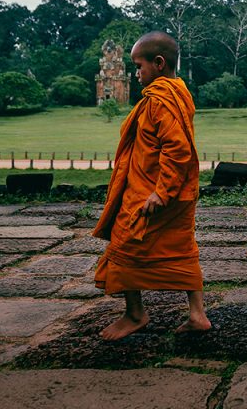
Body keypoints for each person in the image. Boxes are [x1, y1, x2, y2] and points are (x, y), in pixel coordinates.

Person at [92, 31, 210, 340]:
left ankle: (135, 313)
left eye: (139, 65)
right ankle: (197, 315)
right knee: (182, 247)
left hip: (155, 192)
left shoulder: (162, 100)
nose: (135, 73)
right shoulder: (174, 93)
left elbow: (178, 149)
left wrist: (162, 191)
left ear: (158, 63)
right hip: (170, 191)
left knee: (123, 243)